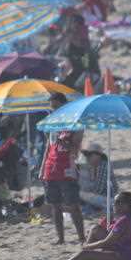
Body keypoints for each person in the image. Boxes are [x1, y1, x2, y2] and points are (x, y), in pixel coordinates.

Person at [50, 192, 131, 260]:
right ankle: (83, 259)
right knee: (96, 229)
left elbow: (107, 242)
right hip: (129, 251)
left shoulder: (124, 220)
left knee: (84, 254)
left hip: (123, 256)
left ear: (125, 205)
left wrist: (87, 247)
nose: (113, 205)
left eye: (116, 203)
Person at [40, 92, 85, 244]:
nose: (53, 111)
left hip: (68, 167)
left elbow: (76, 147)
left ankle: (81, 237)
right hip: (51, 167)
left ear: (64, 105)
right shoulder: (52, 123)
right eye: (51, 108)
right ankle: (61, 239)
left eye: (56, 107)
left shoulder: (75, 123)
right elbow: (49, 146)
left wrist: (66, 142)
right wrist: (42, 168)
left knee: (73, 205)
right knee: (55, 205)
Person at [77, 143, 118, 209]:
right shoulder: (83, 164)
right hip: (90, 196)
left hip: (105, 195)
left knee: (81, 195)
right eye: (87, 155)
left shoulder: (104, 166)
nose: (88, 157)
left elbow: (99, 189)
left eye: (90, 155)